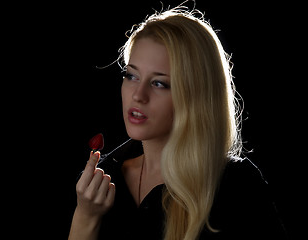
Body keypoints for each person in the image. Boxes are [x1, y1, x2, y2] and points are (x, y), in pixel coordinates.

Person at [68, 5, 287, 240]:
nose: (138, 95)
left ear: (195, 96)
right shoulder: (102, 180)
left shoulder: (236, 187)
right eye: (132, 76)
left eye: (159, 83)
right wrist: (86, 216)